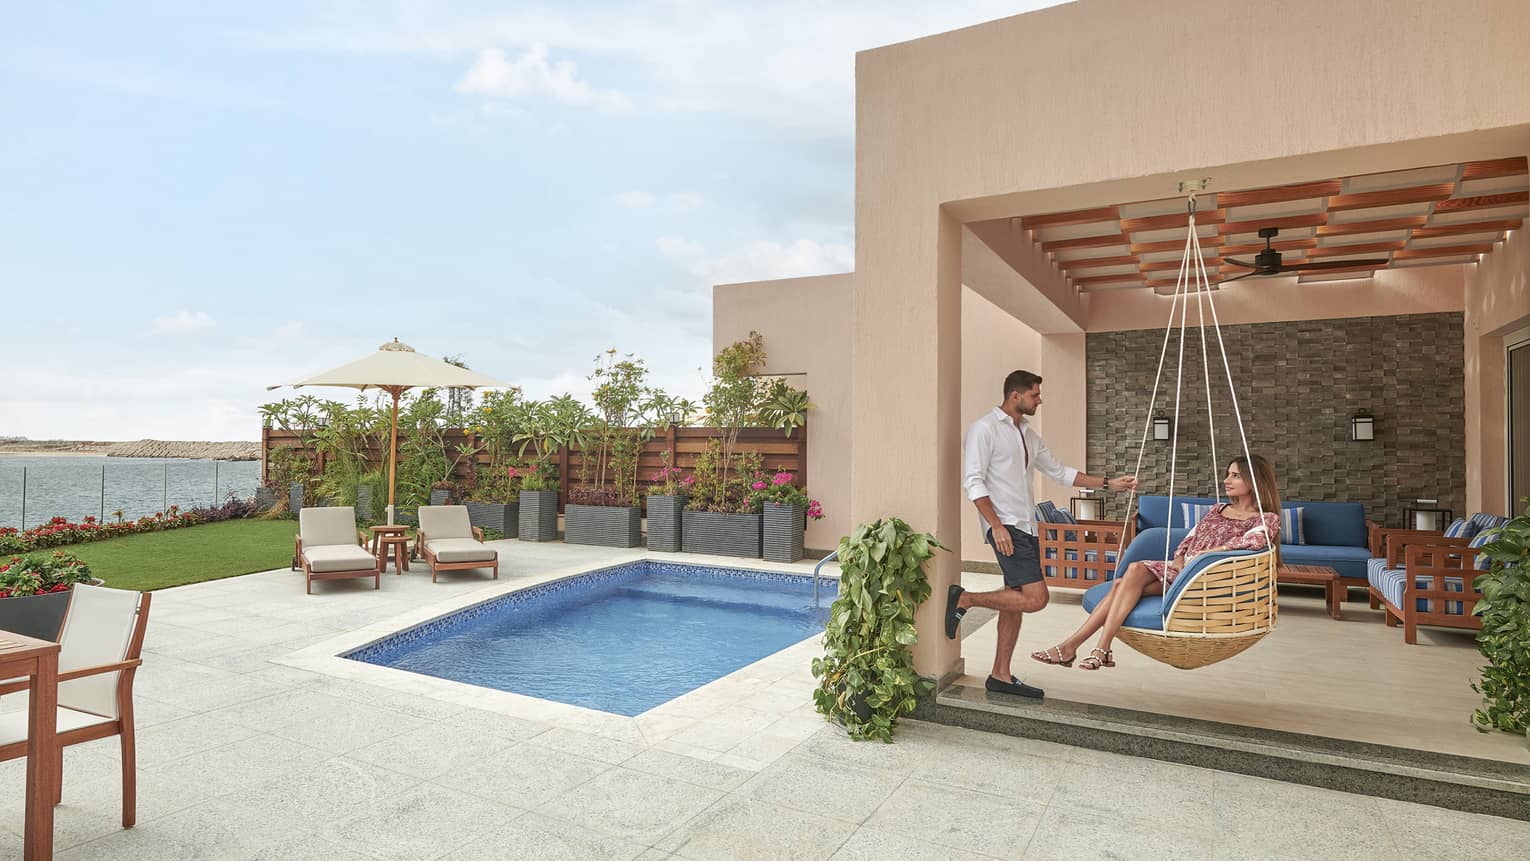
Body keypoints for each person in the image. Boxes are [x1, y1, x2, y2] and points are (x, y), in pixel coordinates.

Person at [946, 370, 1137, 699]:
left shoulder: (1028, 435)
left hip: (1027, 527)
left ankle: (1000, 675)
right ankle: (965, 599)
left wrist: (1110, 484)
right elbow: (973, 481)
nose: (1040, 400)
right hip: (1006, 527)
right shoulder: (984, 429)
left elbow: (1060, 472)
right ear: (1015, 395)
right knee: (1036, 598)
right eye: (1035, 395)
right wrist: (995, 525)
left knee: (1016, 600)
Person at [1032, 454, 1281, 671]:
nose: (1226, 480)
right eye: (1228, 474)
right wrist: (1181, 558)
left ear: (1253, 481)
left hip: (1203, 580)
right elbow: (1190, 537)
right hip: (1180, 571)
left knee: (1127, 578)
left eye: (1235, 476)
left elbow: (1252, 543)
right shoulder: (1218, 509)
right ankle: (1093, 648)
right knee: (1125, 581)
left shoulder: (1265, 519)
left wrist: (1207, 555)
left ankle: (1078, 648)